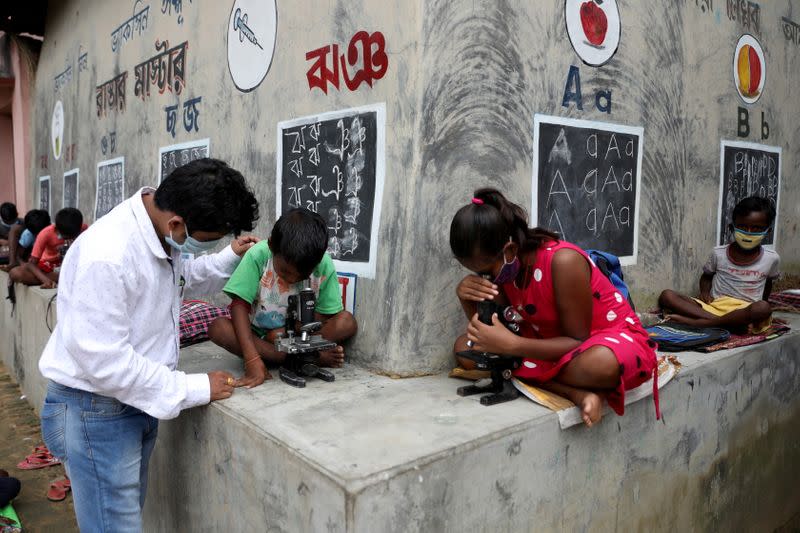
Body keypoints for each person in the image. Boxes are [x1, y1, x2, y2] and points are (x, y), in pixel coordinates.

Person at [38, 158, 260, 532]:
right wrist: (195, 386)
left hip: (129, 403)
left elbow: (179, 278)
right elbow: (107, 363)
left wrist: (228, 256)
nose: (195, 248)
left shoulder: (157, 232)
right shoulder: (107, 255)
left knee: (120, 518)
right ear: (177, 224)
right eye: (205, 240)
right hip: (96, 410)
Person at [450, 188, 658, 427]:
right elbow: (489, 334)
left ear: (509, 250)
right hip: (544, 345)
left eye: (485, 270)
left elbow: (577, 340)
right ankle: (578, 393)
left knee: (602, 365)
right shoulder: (506, 272)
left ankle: (531, 375)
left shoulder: (563, 261)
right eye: (476, 272)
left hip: (602, 340)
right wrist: (466, 298)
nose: (483, 276)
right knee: (462, 349)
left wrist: (514, 346)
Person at [208, 208, 357, 388]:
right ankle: (305, 359)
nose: (292, 279)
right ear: (271, 246)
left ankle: (299, 356)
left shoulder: (323, 263)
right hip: (259, 337)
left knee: (346, 322)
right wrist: (252, 359)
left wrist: (290, 331)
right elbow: (238, 306)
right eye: (286, 272)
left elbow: (327, 314)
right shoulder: (258, 255)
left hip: (301, 334)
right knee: (218, 328)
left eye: (302, 275)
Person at [658, 196, 779, 333]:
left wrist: (763, 303)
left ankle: (702, 323)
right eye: (742, 227)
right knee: (667, 295)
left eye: (756, 228)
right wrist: (704, 292)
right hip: (715, 306)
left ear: (767, 232)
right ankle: (723, 324)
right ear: (732, 227)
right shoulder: (718, 253)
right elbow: (707, 276)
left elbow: (768, 283)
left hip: (745, 312)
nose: (748, 233)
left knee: (763, 308)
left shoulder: (771, 258)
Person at [7, 208, 87, 288]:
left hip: (73, 266)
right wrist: (45, 280)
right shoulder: (45, 234)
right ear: (57, 228)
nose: (69, 240)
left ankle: (64, 277)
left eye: (73, 237)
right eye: (65, 238)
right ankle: (63, 277)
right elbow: (31, 264)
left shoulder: (84, 229)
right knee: (15, 273)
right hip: (50, 266)